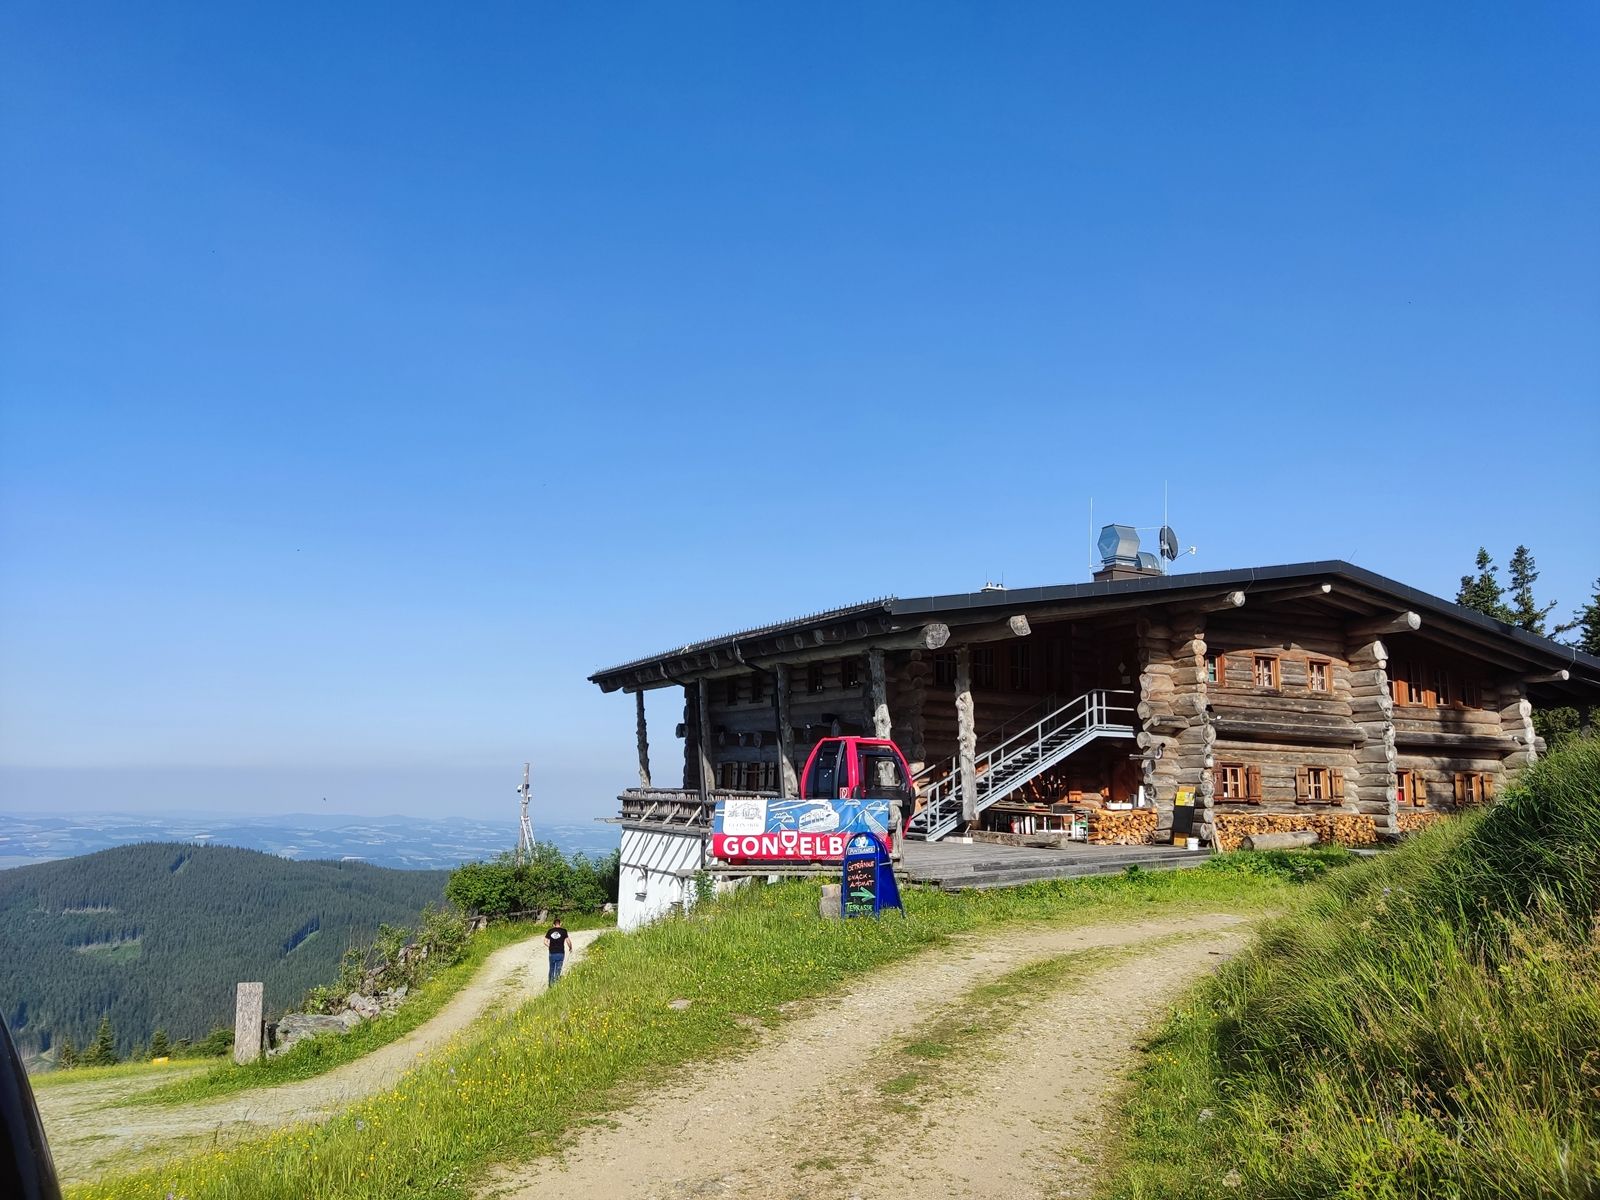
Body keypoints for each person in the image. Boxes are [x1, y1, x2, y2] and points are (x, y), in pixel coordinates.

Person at [544, 916, 570, 985]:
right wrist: (570, 947)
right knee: (558, 969)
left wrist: (550, 946)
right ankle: (556, 984)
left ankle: (550, 984)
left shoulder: (550, 931)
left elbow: (545, 941)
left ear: (553, 924)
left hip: (552, 952)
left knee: (551, 969)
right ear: (560, 923)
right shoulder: (564, 931)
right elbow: (568, 941)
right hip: (560, 952)